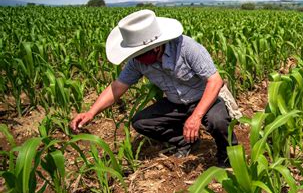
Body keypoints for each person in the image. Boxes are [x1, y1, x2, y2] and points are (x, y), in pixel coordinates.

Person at [70, 10, 239, 167]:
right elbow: (117, 87)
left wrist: (196, 117)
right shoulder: (137, 61)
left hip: (205, 98)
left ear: (157, 46)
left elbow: (215, 81)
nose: (138, 60)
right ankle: (185, 141)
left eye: (142, 54)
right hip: (176, 103)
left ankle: (227, 154)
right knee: (141, 122)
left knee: (218, 121)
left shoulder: (187, 48)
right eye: (135, 55)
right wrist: (91, 112)